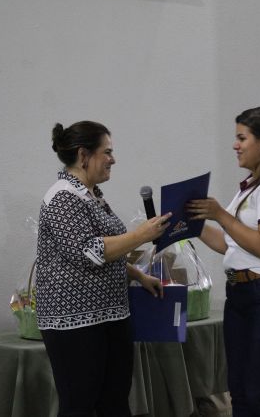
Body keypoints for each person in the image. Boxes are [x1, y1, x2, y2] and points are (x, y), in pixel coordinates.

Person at [36, 120, 171, 417]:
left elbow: (109, 251)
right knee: (79, 406)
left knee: (115, 403)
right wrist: (141, 235)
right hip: (74, 322)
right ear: (83, 155)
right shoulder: (62, 196)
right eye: (107, 152)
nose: (113, 159)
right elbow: (88, 252)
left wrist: (138, 275)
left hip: (110, 315)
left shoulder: (91, 194)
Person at [186, 107, 260, 416]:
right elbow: (229, 243)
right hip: (241, 293)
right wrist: (189, 224)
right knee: (239, 394)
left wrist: (219, 215)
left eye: (242, 138)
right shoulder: (251, 186)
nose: (235, 145)